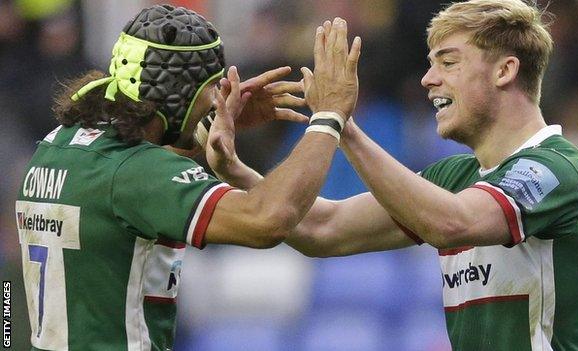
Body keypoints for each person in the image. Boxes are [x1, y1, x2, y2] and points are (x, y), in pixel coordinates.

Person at [206, 1, 578, 350]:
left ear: (505, 70)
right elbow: (321, 229)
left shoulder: (557, 167)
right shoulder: (455, 176)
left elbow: (453, 223)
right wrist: (235, 170)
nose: (428, 79)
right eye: (430, 64)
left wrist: (339, 120)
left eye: (448, 62)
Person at [15, 4, 361, 350]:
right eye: (211, 89)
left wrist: (207, 128)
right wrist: (328, 117)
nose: (217, 99)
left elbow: (131, 186)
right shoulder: (133, 172)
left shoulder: (58, 144)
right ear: (178, 95)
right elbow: (266, 220)